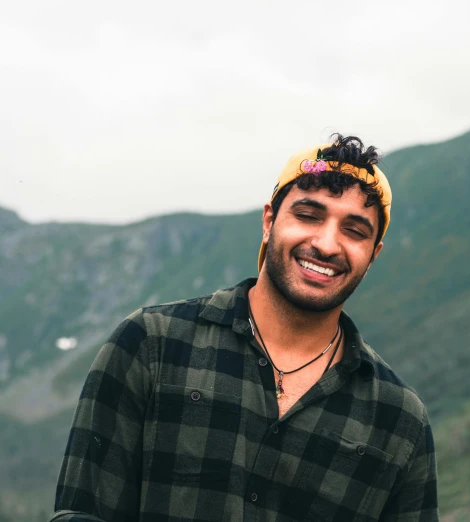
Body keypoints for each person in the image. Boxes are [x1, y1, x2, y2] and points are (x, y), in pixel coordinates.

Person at [49, 135, 439, 521]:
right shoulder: (152, 344)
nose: (326, 244)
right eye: (308, 215)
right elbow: (83, 513)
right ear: (269, 221)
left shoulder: (400, 420)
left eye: (354, 231)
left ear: (373, 255)